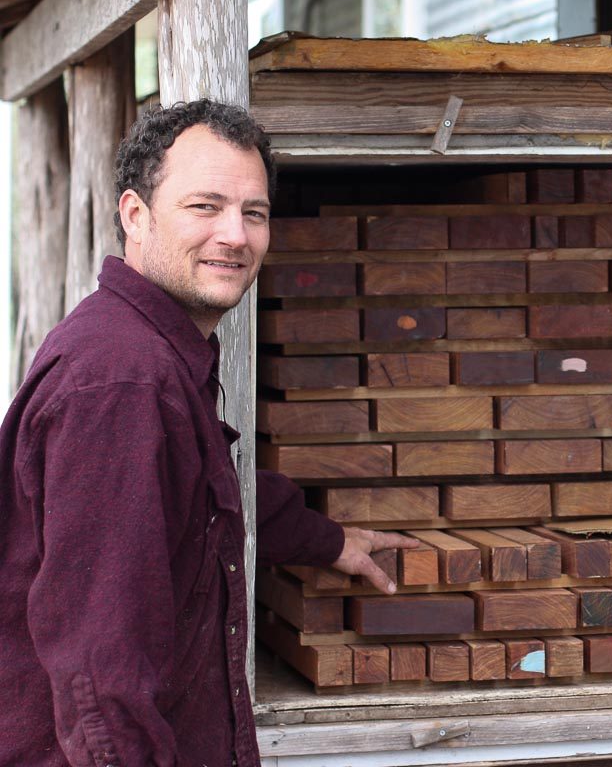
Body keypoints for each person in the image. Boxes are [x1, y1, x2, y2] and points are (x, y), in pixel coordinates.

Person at [0, 100, 417, 766]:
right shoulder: (123, 383)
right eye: (205, 206)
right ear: (135, 215)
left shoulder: (153, 354)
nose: (235, 235)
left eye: (254, 213)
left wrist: (325, 539)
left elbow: (198, 493)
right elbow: (100, 676)